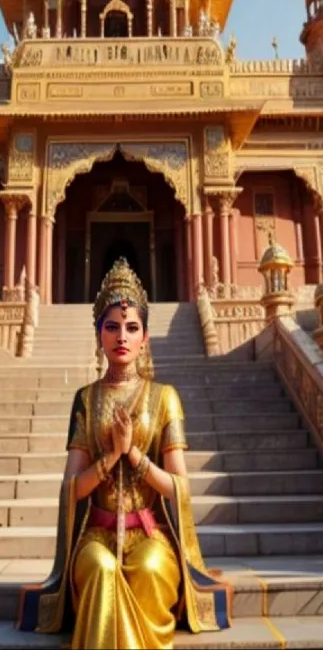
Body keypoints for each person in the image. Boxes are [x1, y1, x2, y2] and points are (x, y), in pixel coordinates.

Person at [18, 258, 231, 649]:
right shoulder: (86, 399)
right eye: (112, 326)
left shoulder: (164, 398)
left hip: (149, 534)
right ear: (99, 333)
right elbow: (72, 489)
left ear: (145, 337)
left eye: (132, 328)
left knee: (149, 569)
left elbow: (178, 488)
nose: (122, 336)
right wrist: (109, 459)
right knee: (101, 570)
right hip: (96, 535)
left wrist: (133, 454)